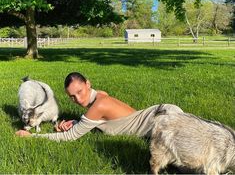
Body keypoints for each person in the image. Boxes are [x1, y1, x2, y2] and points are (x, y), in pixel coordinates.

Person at [16, 72, 183, 141]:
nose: (78, 99)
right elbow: (105, 121)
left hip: (161, 118)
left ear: (88, 84)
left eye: (80, 92)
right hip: (160, 115)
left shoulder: (100, 104)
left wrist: (32, 137)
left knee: (192, 162)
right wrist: (77, 123)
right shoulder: (101, 96)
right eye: (72, 97)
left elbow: (70, 137)